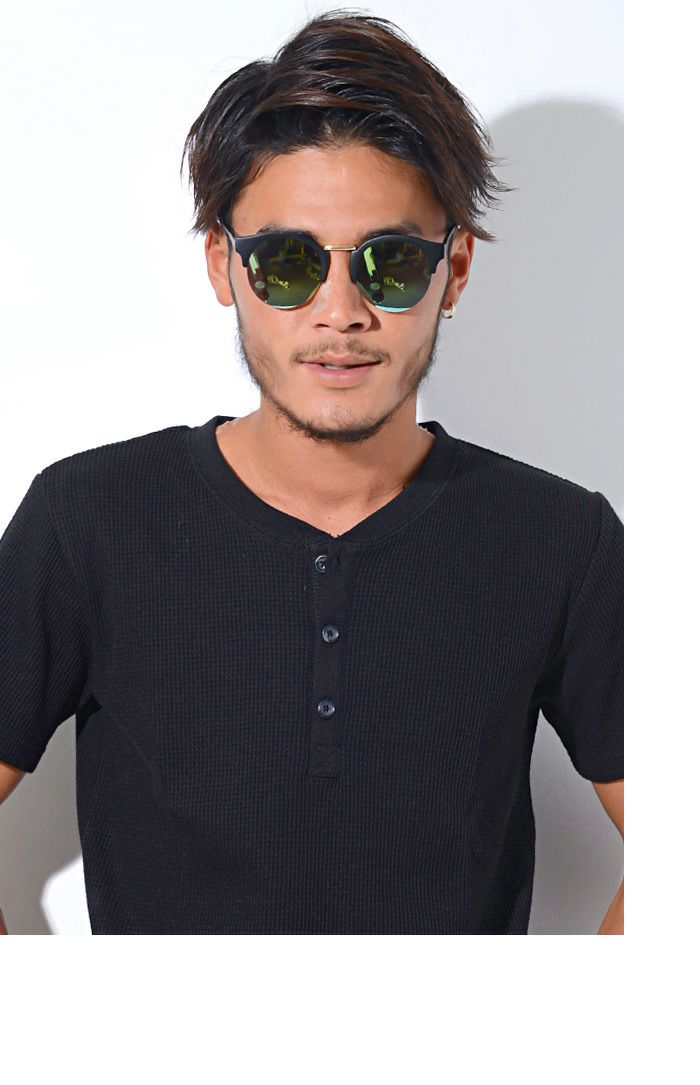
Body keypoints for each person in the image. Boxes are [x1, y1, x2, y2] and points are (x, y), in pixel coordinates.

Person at [0, 9, 623, 935]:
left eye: (390, 263)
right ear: (224, 265)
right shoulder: (87, 519)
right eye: (288, 262)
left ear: (453, 272)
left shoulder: (561, 540)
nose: (340, 311)